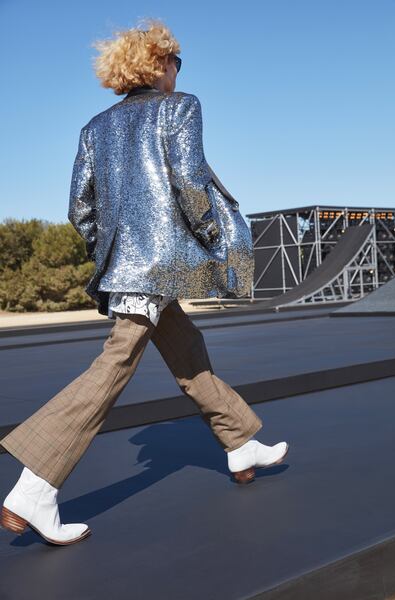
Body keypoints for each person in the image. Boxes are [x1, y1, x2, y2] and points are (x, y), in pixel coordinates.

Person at [0, 18, 289, 546]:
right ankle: (34, 487)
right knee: (113, 365)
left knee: (186, 348)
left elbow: (79, 207)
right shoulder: (180, 107)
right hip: (158, 264)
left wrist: (111, 255)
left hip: (127, 264)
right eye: (178, 61)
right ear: (159, 64)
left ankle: (240, 442)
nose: (180, 71)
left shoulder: (94, 127)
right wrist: (211, 239)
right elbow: (190, 180)